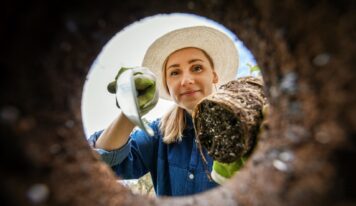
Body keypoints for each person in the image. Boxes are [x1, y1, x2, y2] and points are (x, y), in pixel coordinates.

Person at [88, 26, 239, 197]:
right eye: (175, 72)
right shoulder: (159, 134)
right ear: (166, 84)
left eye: (197, 68)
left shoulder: (241, 127)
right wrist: (130, 112)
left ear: (214, 75)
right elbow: (103, 165)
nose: (186, 80)